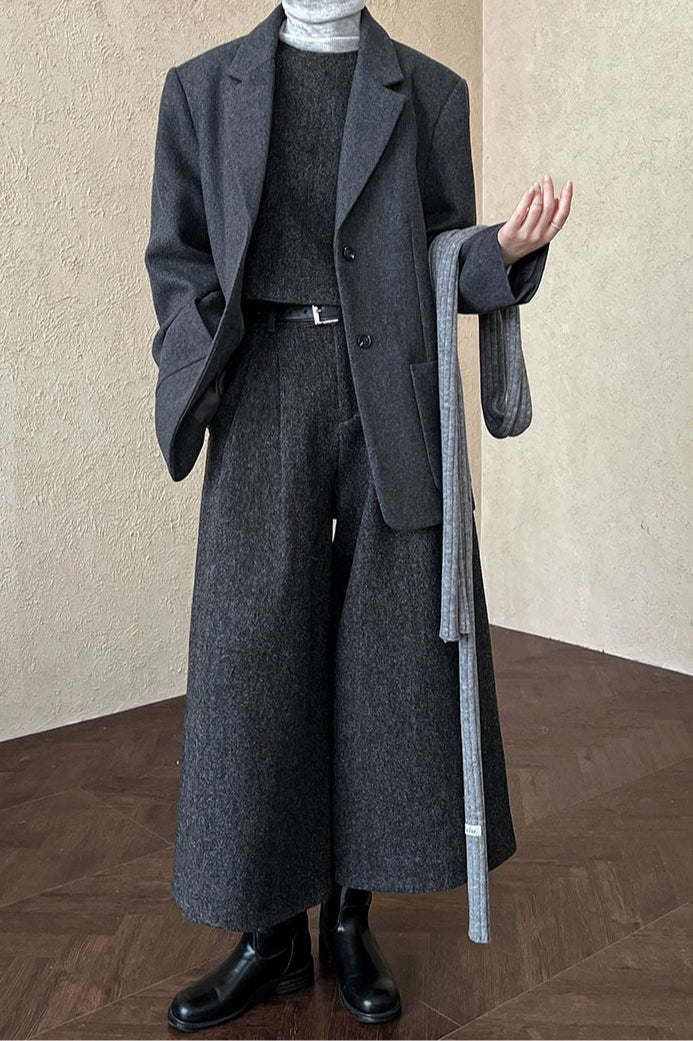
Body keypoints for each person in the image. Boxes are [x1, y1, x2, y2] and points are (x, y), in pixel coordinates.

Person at [144, 0, 571, 1031]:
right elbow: (179, 259)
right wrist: (200, 370)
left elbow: (440, 252)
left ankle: (348, 920)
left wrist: (503, 251)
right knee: (254, 661)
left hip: (389, 393)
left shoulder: (428, 91)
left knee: (387, 664)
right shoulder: (202, 90)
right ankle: (269, 937)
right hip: (262, 392)